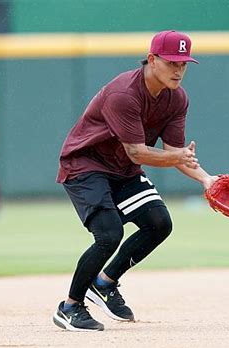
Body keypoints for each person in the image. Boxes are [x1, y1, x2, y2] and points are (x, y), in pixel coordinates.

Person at [53, 30, 218, 332]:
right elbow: (138, 152)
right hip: (85, 165)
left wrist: (207, 179)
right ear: (152, 59)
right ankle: (70, 307)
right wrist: (179, 158)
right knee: (108, 235)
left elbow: (173, 152)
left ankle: (105, 283)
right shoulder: (124, 94)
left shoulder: (176, 98)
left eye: (184, 64)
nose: (178, 70)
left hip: (122, 169)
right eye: (171, 63)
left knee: (159, 223)